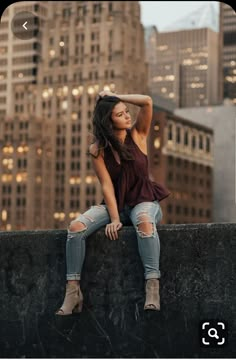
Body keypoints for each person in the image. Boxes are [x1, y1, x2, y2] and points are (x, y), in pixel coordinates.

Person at [56, 91, 170, 315]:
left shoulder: (138, 134)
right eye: (120, 114)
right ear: (108, 121)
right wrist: (115, 218)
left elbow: (147, 101)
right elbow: (107, 185)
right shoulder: (97, 150)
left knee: (145, 222)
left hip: (144, 200)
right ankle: (73, 291)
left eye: (127, 112)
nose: (127, 116)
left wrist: (116, 96)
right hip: (116, 205)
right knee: (75, 228)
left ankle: (152, 288)